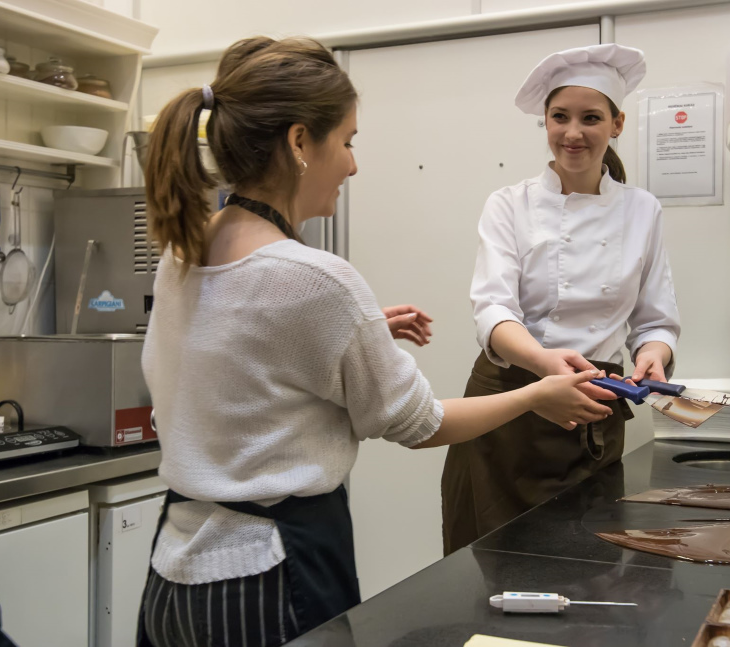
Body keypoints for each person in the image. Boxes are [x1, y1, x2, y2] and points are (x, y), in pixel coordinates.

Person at [138, 36, 616, 646]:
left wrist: (358, 334)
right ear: (299, 143)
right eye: (348, 141)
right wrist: (535, 396)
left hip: (174, 574)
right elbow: (422, 424)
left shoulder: (184, 252)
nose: (354, 164)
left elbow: (231, 353)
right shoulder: (316, 279)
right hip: (267, 577)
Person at [441, 44, 681, 555]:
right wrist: (545, 364)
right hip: (507, 401)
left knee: (588, 560)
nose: (573, 133)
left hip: (595, 405)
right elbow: (493, 310)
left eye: (590, 118)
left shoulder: (643, 209)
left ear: (616, 124)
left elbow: (655, 318)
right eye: (560, 117)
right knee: (490, 562)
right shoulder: (510, 204)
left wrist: (652, 355)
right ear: (545, 122)